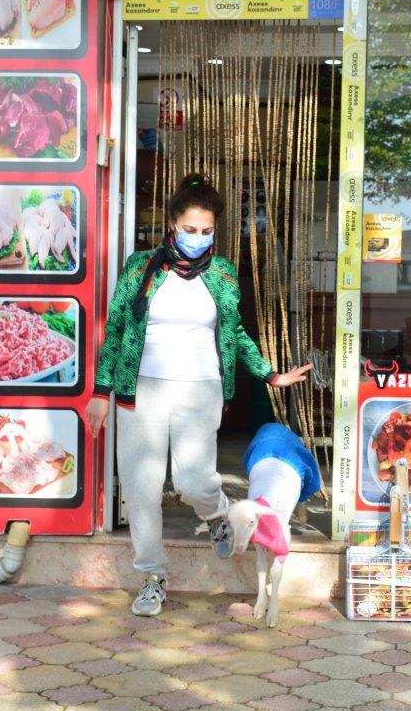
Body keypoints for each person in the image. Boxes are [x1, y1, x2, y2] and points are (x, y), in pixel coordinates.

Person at [86, 173, 312, 617]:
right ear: (173, 223)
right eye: (190, 229)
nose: (197, 238)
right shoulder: (140, 269)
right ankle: (152, 576)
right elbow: (114, 331)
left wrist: (270, 374)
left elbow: (236, 334)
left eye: (206, 231)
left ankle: (218, 515)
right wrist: (100, 391)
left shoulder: (224, 275)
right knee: (141, 489)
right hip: (140, 390)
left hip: (201, 388)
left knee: (192, 481)